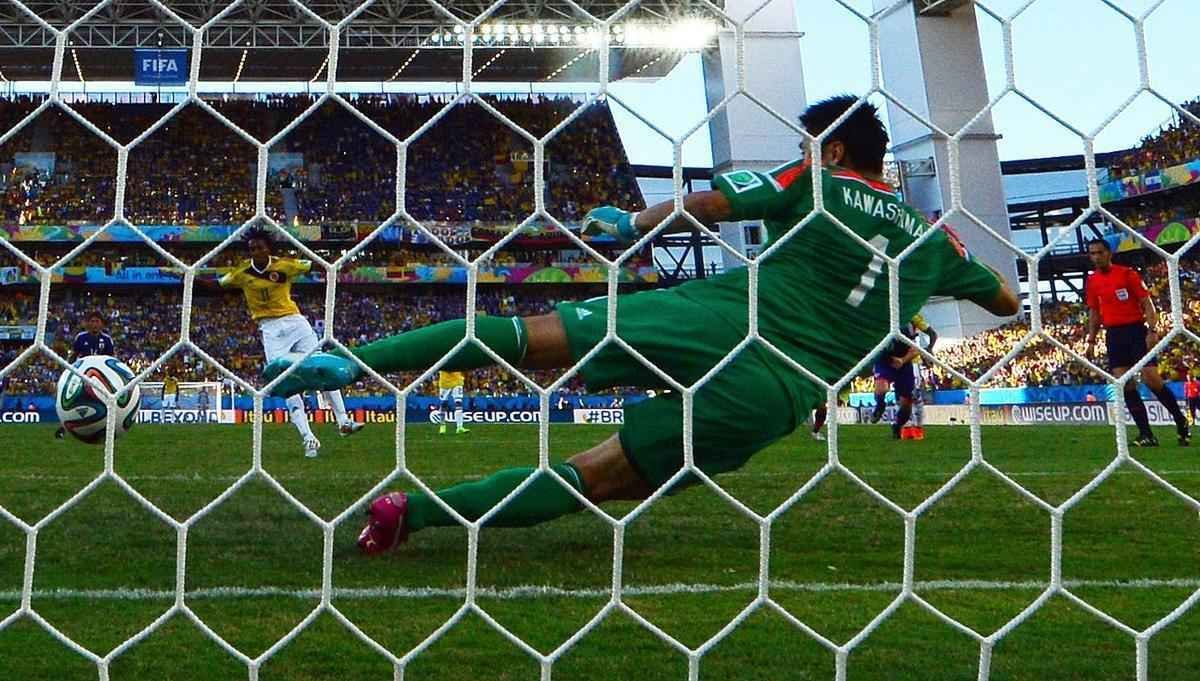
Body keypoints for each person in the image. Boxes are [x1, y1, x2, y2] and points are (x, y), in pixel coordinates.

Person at [263, 95, 1020, 555]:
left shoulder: (818, 180)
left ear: (835, 149)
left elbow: (713, 203)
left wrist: (631, 219)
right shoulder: (937, 242)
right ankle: (408, 514)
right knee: (596, 477)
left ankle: (351, 363)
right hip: (778, 391)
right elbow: (1005, 302)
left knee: (529, 334)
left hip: (723, 316)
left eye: (807, 144)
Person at [212, 229, 363, 457]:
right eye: (252, 248)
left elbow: (316, 265)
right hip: (270, 330)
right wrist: (188, 276)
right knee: (286, 381)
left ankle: (343, 420)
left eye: (260, 247)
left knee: (322, 365)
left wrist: (337, 265)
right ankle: (308, 438)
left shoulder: (285, 265)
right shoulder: (241, 272)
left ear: (268, 248)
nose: (256, 251)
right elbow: (217, 284)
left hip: (295, 322)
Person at [1083, 239, 1189, 447]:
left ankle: (1180, 420)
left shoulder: (1127, 274)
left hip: (1136, 331)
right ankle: (1146, 434)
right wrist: (1091, 340)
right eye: (1092, 254)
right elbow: (1094, 312)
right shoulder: (1093, 281)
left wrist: (1152, 330)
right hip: (1113, 335)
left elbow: (1147, 303)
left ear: (1109, 253)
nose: (1096, 257)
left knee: (1152, 380)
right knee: (1125, 384)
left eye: (1100, 252)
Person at [869, 314, 937, 439]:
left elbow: (915, 349)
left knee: (907, 403)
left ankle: (898, 426)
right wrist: (892, 359)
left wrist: (903, 360)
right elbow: (876, 349)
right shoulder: (880, 320)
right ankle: (880, 405)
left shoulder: (911, 319)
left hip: (905, 364)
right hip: (885, 362)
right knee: (882, 388)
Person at [55, 311, 115, 439]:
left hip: (100, 378)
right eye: (92, 321)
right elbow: (74, 356)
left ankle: (106, 427)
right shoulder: (81, 337)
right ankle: (64, 427)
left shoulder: (107, 340)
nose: (94, 324)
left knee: (104, 403)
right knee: (74, 401)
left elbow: (111, 361)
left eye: (97, 321)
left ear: (102, 324)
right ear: (88, 323)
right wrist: (68, 370)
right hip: (82, 376)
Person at [437, 370, 468, 435]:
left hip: (457, 381)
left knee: (458, 403)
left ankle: (459, 427)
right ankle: (442, 426)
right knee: (444, 404)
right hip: (445, 382)